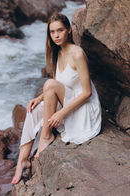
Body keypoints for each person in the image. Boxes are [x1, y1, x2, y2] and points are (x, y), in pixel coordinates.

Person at [11, 13, 102, 185]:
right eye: (52, 32)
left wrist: (61, 114)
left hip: (83, 109)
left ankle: (46, 136)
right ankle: (22, 161)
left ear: (68, 30)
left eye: (60, 30)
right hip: (67, 99)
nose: (57, 35)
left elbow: (87, 92)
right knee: (32, 109)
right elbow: (60, 84)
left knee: (49, 85)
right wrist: (39, 98)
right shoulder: (57, 52)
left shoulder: (77, 53)